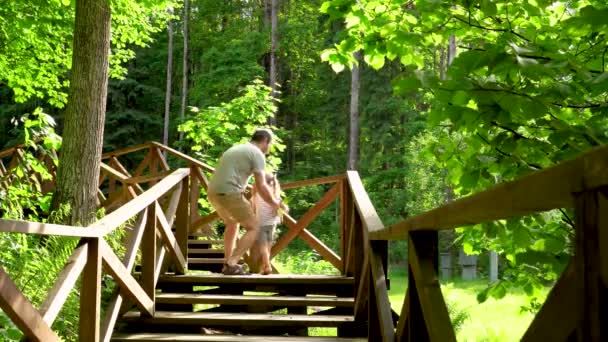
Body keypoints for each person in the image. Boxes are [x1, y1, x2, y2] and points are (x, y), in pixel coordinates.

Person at [207, 128, 282, 275]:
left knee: (232, 223)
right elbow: (261, 185)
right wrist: (274, 202)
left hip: (213, 192)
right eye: (270, 144)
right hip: (230, 192)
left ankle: (227, 264)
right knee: (254, 227)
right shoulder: (257, 154)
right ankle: (232, 262)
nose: (269, 148)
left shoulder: (236, 148)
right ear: (266, 141)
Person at [251, 172, 286, 275]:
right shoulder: (275, 194)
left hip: (260, 222)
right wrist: (281, 214)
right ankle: (266, 266)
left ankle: (267, 266)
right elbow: (281, 208)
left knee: (263, 245)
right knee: (268, 245)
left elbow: (253, 208)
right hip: (272, 222)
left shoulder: (256, 194)